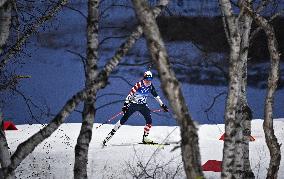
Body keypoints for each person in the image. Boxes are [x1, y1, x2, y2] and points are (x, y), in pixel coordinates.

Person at [102, 70, 169, 145]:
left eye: (150, 79)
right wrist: (125, 105)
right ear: (144, 78)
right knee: (123, 120)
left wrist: (162, 105)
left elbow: (156, 96)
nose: (149, 81)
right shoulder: (139, 84)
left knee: (149, 121)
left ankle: (145, 138)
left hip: (143, 105)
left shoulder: (150, 86)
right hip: (134, 105)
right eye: (147, 79)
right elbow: (130, 95)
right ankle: (109, 136)